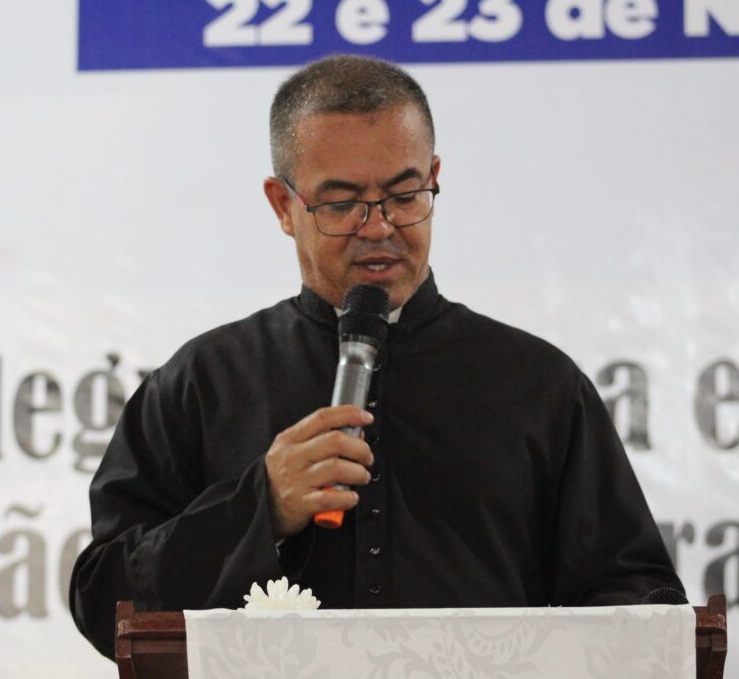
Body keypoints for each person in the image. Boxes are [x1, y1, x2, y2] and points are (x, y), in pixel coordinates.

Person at [69, 54, 684, 660]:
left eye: (404, 194)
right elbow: (106, 604)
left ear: (435, 176)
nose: (378, 227)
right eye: (341, 204)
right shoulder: (203, 383)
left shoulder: (538, 384)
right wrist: (259, 507)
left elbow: (634, 593)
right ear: (283, 206)